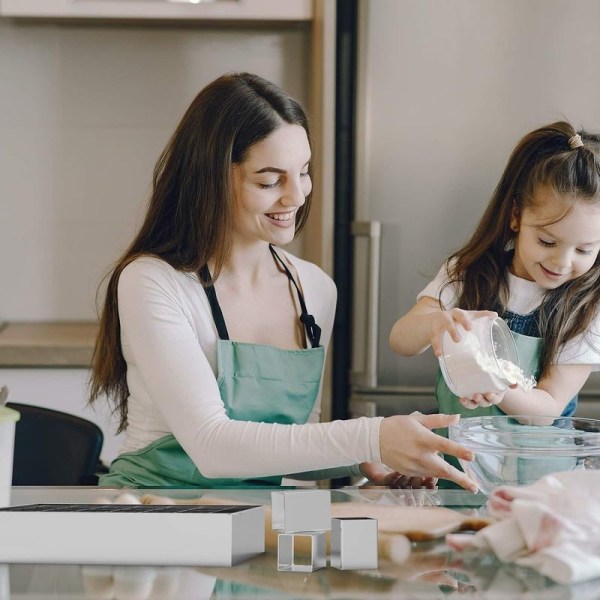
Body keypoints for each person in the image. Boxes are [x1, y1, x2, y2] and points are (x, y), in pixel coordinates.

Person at [89, 72, 476, 491]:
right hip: (152, 514)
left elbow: (286, 446)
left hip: (257, 520)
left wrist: (370, 458)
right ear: (212, 178)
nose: (296, 196)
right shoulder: (153, 282)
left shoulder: (314, 290)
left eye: (304, 172)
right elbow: (213, 446)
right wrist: (371, 436)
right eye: (270, 180)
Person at [390, 121, 600, 479]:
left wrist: (493, 382)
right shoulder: (468, 273)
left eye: (584, 249)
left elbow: (545, 410)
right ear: (516, 216)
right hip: (456, 470)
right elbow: (401, 341)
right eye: (547, 242)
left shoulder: (587, 308)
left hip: (539, 485)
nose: (562, 262)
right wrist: (433, 324)